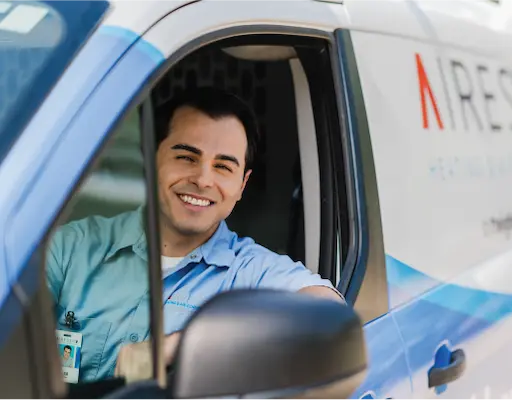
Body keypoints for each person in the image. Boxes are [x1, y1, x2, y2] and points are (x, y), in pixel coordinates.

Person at [46, 87, 344, 383]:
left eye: (223, 167)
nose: (203, 180)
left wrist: (186, 343)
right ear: (149, 160)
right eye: (187, 158)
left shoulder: (252, 272)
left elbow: (332, 317)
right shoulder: (70, 247)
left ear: (242, 184)